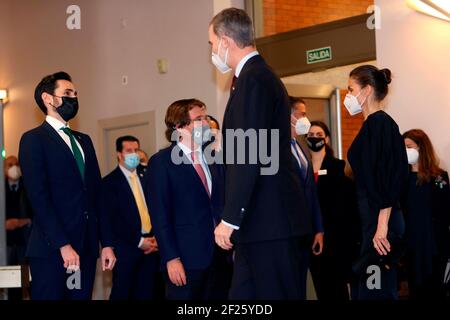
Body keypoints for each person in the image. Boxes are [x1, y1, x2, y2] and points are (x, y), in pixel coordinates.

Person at [209, 8, 313, 299]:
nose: (213, 51)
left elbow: (249, 154)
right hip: (262, 224)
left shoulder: (254, 79)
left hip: (270, 223)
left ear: (225, 41)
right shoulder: (254, 78)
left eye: (211, 43)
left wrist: (230, 218)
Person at [18, 71, 116, 300]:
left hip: (86, 246)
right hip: (52, 250)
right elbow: (39, 198)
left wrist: (107, 243)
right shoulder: (34, 139)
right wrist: (63, 245)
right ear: (48, 98)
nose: (74, 98)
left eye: (76, 94)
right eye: (67, 93)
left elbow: (97, 195)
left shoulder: (84, 140)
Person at [145, 99, 225, 300]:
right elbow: (160, 215)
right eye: (199, 119)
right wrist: (171, 258)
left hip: (218, 257)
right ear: (179, 126)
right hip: (185, 259)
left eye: (205, 117)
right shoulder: (161, 162)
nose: (206, 123)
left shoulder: (212, 158)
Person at [346, 65, 408, 300]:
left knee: (376, 290)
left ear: (367, 90)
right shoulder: (372, 125)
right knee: (368, 290)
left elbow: (389, 177)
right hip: (374, 219)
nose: (348, 96)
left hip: (381, 222)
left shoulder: (380, 124)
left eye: (351, 89)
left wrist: (382, 226)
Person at [306, 121, 361, 300]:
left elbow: (344, 208)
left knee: (336, 290)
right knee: (320, 287)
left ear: (327, 138)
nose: (315, 138)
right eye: (311, 135)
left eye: (319, 134)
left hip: (333, 240)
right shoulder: (301, 168)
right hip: (309, 238)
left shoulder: (337, 167)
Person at [101, 136, 159, 300]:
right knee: (122, 293)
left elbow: (155, 208)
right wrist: (139, 242)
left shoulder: (147, 177)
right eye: (129, 151)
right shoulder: (109, 183)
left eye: (136, 150)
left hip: (151, 247)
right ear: (119, 154)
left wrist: (155, 239)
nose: (134, 154)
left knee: (147, 293)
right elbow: (112, 220)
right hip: (126, 249)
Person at [402, 129, 450, 300]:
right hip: (412, 245)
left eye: (408, 146)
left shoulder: (440, 177)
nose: (405, 151)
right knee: (415, 291)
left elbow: (445, 213)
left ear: (421, 148)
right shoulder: (402, 178)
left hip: (436, 245)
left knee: (436, 291)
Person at [289, 98, 324, 297]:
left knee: (300, 285)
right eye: (302, 114)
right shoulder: (277, 149)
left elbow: (311, 192)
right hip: (288, 230)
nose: (306, 119)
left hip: (305, 230)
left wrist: (318, 228)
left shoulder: (301, 149)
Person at [4, 156, 32, 300]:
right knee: (10, 282)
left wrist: (22, 221)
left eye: (16, 164)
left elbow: (35, 212)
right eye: (10, 165)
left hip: (25, 243)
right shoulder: (1, 189)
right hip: (6, 244)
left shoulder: (28, 187)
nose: (14, 167)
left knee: (28, 281)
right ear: (4, 168)